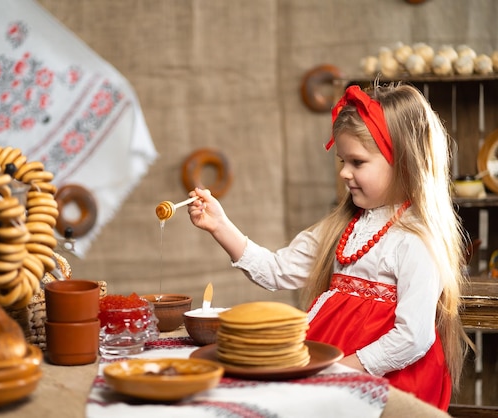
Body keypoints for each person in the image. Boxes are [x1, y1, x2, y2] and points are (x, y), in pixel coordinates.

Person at [186, 82, 472, 411]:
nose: (345, 173)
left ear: (405, 163)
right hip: (331, 368)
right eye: (342, 160)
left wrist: (342, 370)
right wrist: (220, 225)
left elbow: (413, 337)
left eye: (358, 162)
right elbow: (277, 272)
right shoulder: (342, 227)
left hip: (386, 381)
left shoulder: (415, 240)